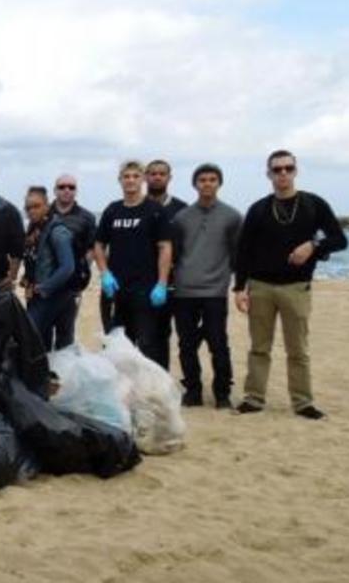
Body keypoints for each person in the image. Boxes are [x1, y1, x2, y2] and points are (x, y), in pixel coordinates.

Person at [233, 150, 348, 419]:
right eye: (277, 169)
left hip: (297, 287)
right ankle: (254, 398)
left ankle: (303, 402)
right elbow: (244, 251)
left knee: (298, 349)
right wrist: (239, 288)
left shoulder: (313, 204)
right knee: (259, 348)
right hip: (260, 287)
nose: (282, 173)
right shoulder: (258, 208)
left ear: (295, 171)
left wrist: (313, 245)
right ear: (268, 174)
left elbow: (340, 239)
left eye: (287, 168)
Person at [171, 163, 243, 408]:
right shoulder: (181, 218)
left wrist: (234, 282)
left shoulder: (232, 217)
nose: (207, 184)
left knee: (218, 343)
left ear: (219, 183)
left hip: (215, 291)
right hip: (184, 291)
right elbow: (176, 254)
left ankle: (222, 394)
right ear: (195, 184)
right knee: (186, 345)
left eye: (212, 179)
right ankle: (193, 391)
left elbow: (238, 254)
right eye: (202, 180)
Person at [92, 160, 173, 366]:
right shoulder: (112, 210)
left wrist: (162, 283)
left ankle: (148, 392)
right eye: (126, 177)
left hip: (146, 289)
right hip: (116, 290)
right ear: (120, 181)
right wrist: (104, 273)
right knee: (117, 344)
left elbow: (165, 247)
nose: (131, 180)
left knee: (147, 344)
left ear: (143, 179)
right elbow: (99, 245)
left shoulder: (155, 210)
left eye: (135, 176)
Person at [146, 159, 189, 371]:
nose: (157, 177)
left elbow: (188, 246)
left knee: (172, 335)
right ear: (146, 177)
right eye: (152, 173)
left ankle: (165, 379)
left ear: (169, 178)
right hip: (143, 282)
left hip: (174, 284)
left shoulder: (181, 210)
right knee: (146, 335)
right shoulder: (137, 206)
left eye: (161, 173)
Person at [21, 186, 77, 350]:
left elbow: (67, 267)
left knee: (34, 339)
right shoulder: (34, 229)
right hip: (37, 296)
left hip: (55, 296)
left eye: (36, 206)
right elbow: (35, 260)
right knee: (40, 346)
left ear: (47, 206)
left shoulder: (57, 231)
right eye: (28, 208)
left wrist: (44, 287)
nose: (32, 211)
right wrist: (27, 278)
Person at [48, 173, 97, 346]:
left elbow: (92, 248)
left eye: (71, 187)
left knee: (66, 332)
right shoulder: (43, 213)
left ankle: (63, 372)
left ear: (76, 191)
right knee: (41, 332)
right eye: (62, 187)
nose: (66, 190)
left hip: (71, 286)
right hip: (44, 283)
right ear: (55, 190)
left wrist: (82, 273)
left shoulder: (87, 217)